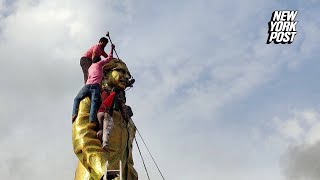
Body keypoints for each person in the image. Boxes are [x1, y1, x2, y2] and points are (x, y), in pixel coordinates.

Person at [72, 58, 138, 180]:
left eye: (127, 74)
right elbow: (84, 139)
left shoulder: (125, 115)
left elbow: (127, 158)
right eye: (120, 71)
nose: (125, 76)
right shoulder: (91, 101)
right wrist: (103, 170)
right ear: (105, 73)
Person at [72, 44, 115, 123]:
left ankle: (74, 113)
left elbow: (104, 55)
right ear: (99, 61)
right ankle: (92, 120)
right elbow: (109, 58)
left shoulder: (90, 68)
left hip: (87, 86)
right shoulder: (99, 64)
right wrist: (112, 49)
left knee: (76, 98)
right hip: (95, 87)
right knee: (94, 103)